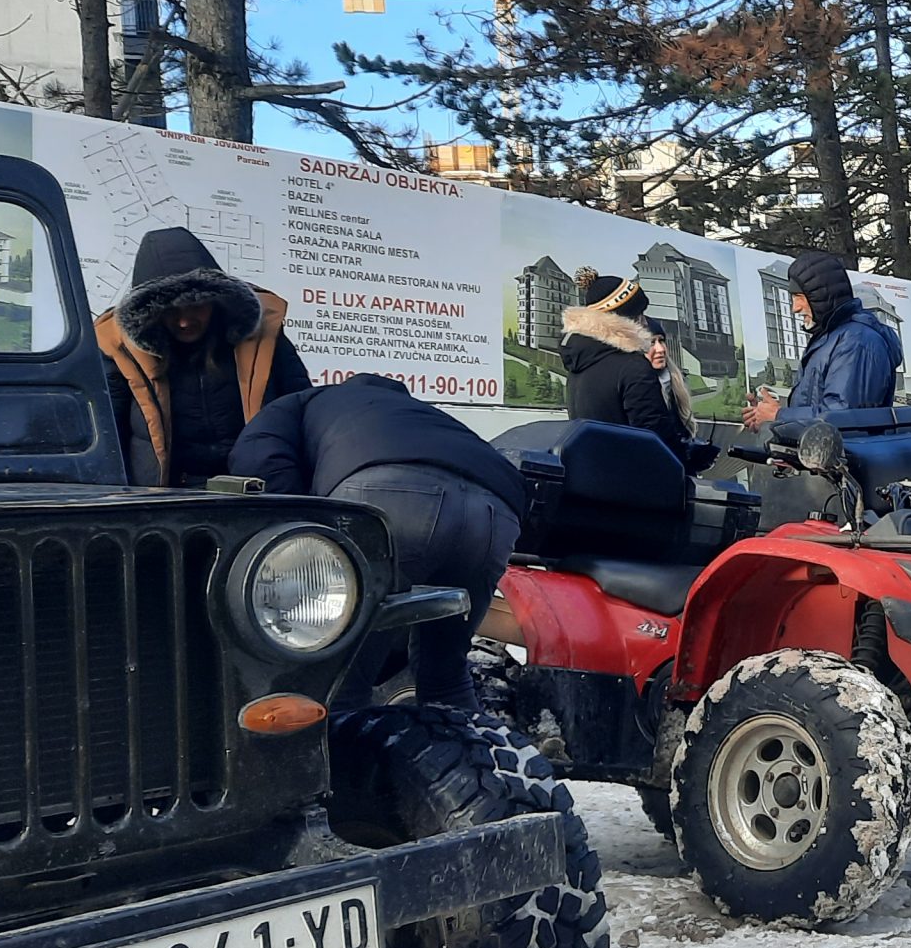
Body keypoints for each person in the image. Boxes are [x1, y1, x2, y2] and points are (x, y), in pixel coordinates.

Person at [231, 373, 528, 711]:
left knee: (341, 676)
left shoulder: (302, 403)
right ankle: (470, 745)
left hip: (393, 495)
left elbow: (259, 461)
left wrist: (304, 545)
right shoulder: (423, 415)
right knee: (445, 675)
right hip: (495, 512)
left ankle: (348, 745)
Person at [94, 226, 311, 486]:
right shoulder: (121, 350)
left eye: (195, 306)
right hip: (169, 495)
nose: (184, 321)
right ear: (150, 314)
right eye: (171, 311)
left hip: (260, 488)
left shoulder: (263, 336)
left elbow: (302, 411)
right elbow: (107, 435)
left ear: (217, 301)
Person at [741, 252, 902, 437]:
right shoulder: (830, 338)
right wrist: (769, 419)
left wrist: (779, 416)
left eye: (799, 296)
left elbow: (844, 420)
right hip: (821, 454)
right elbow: (818, 410)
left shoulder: (858, 341)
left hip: (844, 457)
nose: (795, 308)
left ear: (822, 297)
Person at [561, 268, 689, 458]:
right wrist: (688, 460)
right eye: (640, 315)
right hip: (634, 474)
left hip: (593, 472)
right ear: (625, 321)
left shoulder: (578, 368)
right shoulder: (633, 368)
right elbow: (656, 441)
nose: (645, 323)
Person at [644, 318, 696, 441]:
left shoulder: (677, 384)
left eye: (661, 341)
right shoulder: (636, 390)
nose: (660, 349)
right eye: (651, 342)